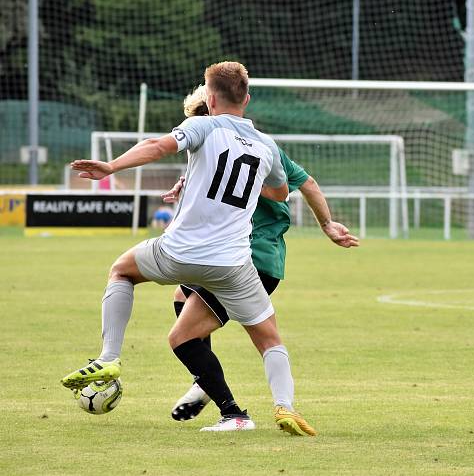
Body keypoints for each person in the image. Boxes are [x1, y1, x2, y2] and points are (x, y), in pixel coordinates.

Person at [60, 61, 305, 433]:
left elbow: (158, 145)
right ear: (247, 99)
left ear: (209, 97)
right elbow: (280, 192)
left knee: (122, 271)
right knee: (269, 337)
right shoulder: (266, 145)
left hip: (178, 253)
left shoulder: (202, 124)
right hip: (233, 264)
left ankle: (109, 357)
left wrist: (111, 167)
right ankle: (285, 408)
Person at [165, 84, 359, 433]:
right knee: (183, 295)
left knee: (184, 338)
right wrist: (328, 225)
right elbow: (307, 182)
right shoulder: (255, 145)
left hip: (243, 259)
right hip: (254, 260)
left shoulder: (246, 148)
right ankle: (214, 384)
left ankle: (232, 412)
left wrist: (328, 224)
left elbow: (293, 186)